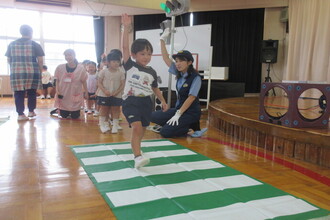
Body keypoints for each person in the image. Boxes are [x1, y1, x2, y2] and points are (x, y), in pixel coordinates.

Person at [121, 14, 168, 168]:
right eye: (142, 54)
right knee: (136, 127)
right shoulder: (130, 65)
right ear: (134, 55)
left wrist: (163, 100)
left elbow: (155, 87)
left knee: (141, 131)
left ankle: (137, 149)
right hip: (131, 101)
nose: (146, 57)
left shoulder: (152, 71)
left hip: (146, 103)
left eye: (149, 54)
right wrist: (126, 27)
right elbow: (125, 47)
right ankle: (137, 157)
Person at [151, 28, 207, 138]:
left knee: (165, 132)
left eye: (181, 60)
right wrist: (162, 39)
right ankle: (179, 125)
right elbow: (166, 58)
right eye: (176, 61)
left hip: (190, 113)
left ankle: (189, 129)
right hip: (178, 110)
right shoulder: (179, 73)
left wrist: (178, 114)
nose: (177, 63)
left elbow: (191, 98)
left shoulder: (196, 78)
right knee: (152, 116)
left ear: (189, 62)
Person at [5, 24, 44, 120]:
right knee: (31, 92)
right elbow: (40, 61)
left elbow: (9, 60)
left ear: (21, 32)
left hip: (16, 72)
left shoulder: (11, 44)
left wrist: (14, 68)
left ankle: (21, 114)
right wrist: (40, 72)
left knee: (18, 93)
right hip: (32, 71)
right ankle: (31, 111)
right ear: (31, 32)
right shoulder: (35, 44)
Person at [54, 49, 88, 119]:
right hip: (63, 93)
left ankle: (74, 111)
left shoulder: (81, 68)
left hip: (75, 93)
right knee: (64, 116)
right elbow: (57, 80)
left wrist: (86, 92)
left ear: (74, 56)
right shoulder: (60, 67)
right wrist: (57, 91)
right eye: (66, 55)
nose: (68, 57)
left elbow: (84, 81)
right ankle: (58, 110)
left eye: (70, 55)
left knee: (75, 116)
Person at [97, 52, 125, 133]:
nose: (116, 63)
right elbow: (99, 82)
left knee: (116, 109)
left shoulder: (121, 72)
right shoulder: (103, 71)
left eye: (118, 61)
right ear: (108, 62)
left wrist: (117, 92)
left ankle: (115, 125)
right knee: (104, 109)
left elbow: (122, 84)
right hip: (104, 94)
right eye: (114, 61)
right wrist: (105, 90)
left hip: (117, 95)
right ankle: (102, 124)